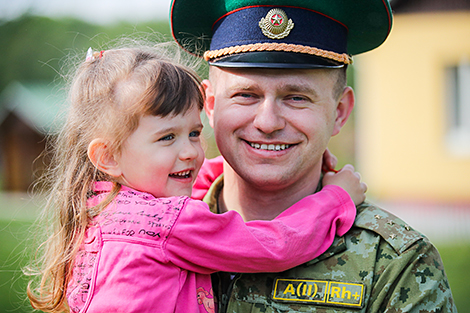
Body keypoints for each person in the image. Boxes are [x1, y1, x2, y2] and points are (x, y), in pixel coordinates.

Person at [26, 44, 367, 313]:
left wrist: (241, 163)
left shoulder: (102, 203)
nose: (190, 152)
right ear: (108, 157)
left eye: (193, 133)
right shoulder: (168, 225)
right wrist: (336, 198)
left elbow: (184, 195)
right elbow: (274, 245)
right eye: (167, 138)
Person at [170, 0, 457, 311]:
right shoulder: (144, 231)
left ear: (339, 112)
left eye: (296, 97)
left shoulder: (393, 264)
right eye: (246, 95)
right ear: (210, 105)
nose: (267, 123)